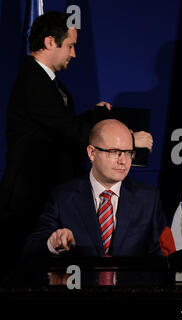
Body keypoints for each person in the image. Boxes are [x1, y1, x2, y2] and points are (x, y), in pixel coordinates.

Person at [0, 12, 153, 272]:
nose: (74, 54)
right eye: (70, 46)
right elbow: (68, 131)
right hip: (29, 199)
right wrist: (128, 140)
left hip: (42, 192)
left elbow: (55, 126)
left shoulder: (45, 82)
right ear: (50, 42)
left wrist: (92, 116)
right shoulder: (33, 81)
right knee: (27, 274)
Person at [22, 119, 166, 257]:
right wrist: (52, 243)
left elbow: (166, 253)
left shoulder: (149, 198)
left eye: (129, 153)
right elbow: (31, 249)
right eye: (115, 152)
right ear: (92, 153)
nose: (123, 161)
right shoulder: (62, 197)